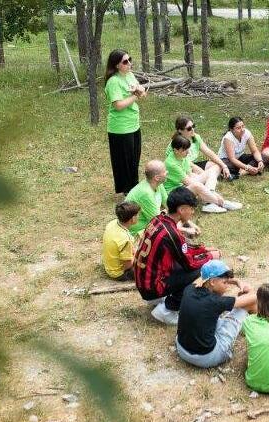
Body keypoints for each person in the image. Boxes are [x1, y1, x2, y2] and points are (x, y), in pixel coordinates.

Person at [135, 187, 220, 325]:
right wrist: (210, 256)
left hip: (143, 283)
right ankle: (167, 309)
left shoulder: (158, 219)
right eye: (191, 208)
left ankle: (159, 299)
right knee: (206, 269)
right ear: (181, 210)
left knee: (191, 263)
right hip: (152, 288)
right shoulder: (171, 233)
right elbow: (189, 263)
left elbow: (182, 250)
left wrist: (203, 249)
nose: (192, 212)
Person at [176, 260, 257, 368]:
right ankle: (261, 326)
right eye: (225, 283)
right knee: (248, 305)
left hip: (182, 348)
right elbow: (255, 297)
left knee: (210, 318)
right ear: (213, 282)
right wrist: (249, 291)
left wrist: (236, 281)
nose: (227, 286)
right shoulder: (215, 302)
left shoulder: (190, 289)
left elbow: (202, 277)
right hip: (206, 357)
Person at [104, 49, 147, 195]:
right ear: (116, 65)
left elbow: (141, 92)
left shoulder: (129, 75)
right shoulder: (113, 82)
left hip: (134, 123)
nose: (129, 63)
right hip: (120, 127)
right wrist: (136, 95)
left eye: (130, 60)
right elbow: (118, 105)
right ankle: (128, 190)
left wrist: (140, 91)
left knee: (134, 158)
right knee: (124, 161)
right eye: (125, 61)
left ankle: (133, 187)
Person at [165, 134, 242, 214]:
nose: (188, 152)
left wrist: (205, 181)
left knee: (212, 171)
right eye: (184, 150)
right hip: (174, 194)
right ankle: (222, 203)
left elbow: (190, 174)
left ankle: (208, 203)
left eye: (188, 149)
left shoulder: (182, 157)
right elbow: (190, 182)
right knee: (197, 186)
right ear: (175, 150)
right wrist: (216, 195)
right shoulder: (171, 164)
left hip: (182, 186)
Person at [123, 160, 168, 235]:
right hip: (137, 233)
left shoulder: (158, 184)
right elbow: (158, 222)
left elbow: (168, 204)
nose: (167, 172)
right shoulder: (146, 193)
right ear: (157, 177)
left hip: (149, 224)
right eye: (164, 172)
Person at [102, 201, 139, 281]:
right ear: (132, 218)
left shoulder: (112, 223)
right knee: (148, 268)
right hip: (118, 273)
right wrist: (139, 258)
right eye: (137, 215)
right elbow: (128, 266)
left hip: (108, 266)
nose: (138, 216)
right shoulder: (125, 239)